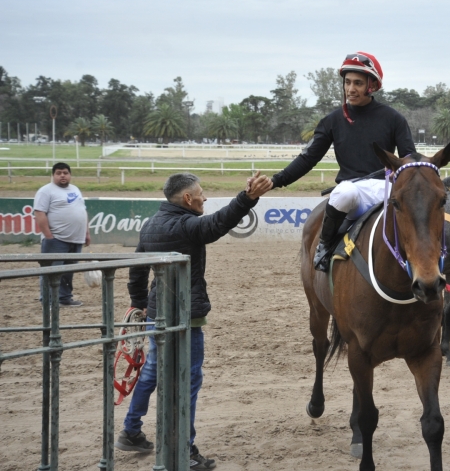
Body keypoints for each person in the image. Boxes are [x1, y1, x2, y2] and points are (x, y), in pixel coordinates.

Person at [115, 171, 272, 469]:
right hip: (186, 317)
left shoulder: (149, 225)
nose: (205, 197)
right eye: (201, 193)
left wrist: (139, 303)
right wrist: (247, 198)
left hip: (156, 313)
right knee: (189, 380)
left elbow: (137, 271)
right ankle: (184, 450)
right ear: (187, 198)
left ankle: (131, 430)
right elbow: (219, 223)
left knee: (151, 372)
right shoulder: (187, 225)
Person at [267, 51, 416, 272]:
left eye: (357, 83)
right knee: (343, 193)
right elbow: (308, 159)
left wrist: (401, 171)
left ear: (371, 85)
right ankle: (324, 246)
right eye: (347, 82)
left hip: (384, 190)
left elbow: (409, 158)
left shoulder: (394, 119)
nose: (350, 89)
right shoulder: (332, 121)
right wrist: (275, 181)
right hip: (352, 191)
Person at [35, 162, 90, 307]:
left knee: (68, 272)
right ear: (53, 175)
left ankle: (64, 298)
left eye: (65, 172)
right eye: (58, 173)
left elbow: (82, 211)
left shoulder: (75, 189)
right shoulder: (46, 191)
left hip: (76, 239)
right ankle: (47, 300)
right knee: (51, 271)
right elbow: (40, 213)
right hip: (56, 239)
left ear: (70, 174)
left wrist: (86, 232)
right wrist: (49, 236)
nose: (62, 175)